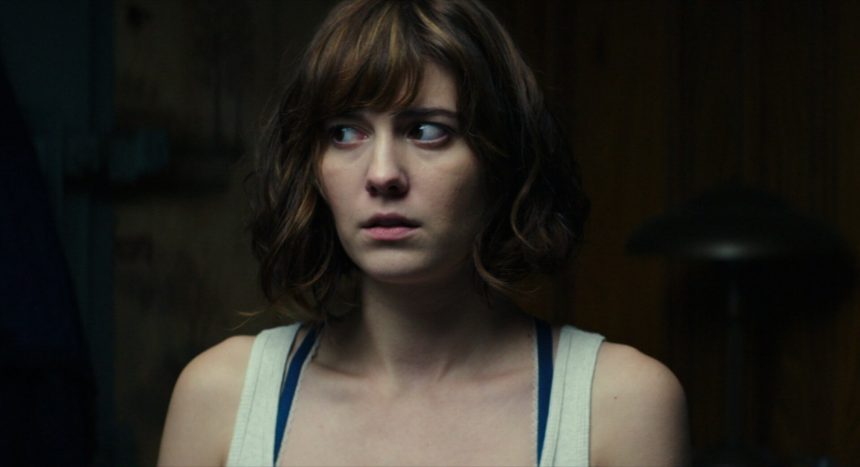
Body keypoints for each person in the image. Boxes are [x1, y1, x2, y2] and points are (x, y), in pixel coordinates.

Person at [158, 0, 690, 465]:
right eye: (345, 132)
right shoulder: (223, 398)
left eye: (427, 131)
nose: (382, 174)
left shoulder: (617, 405)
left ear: (500, 158)